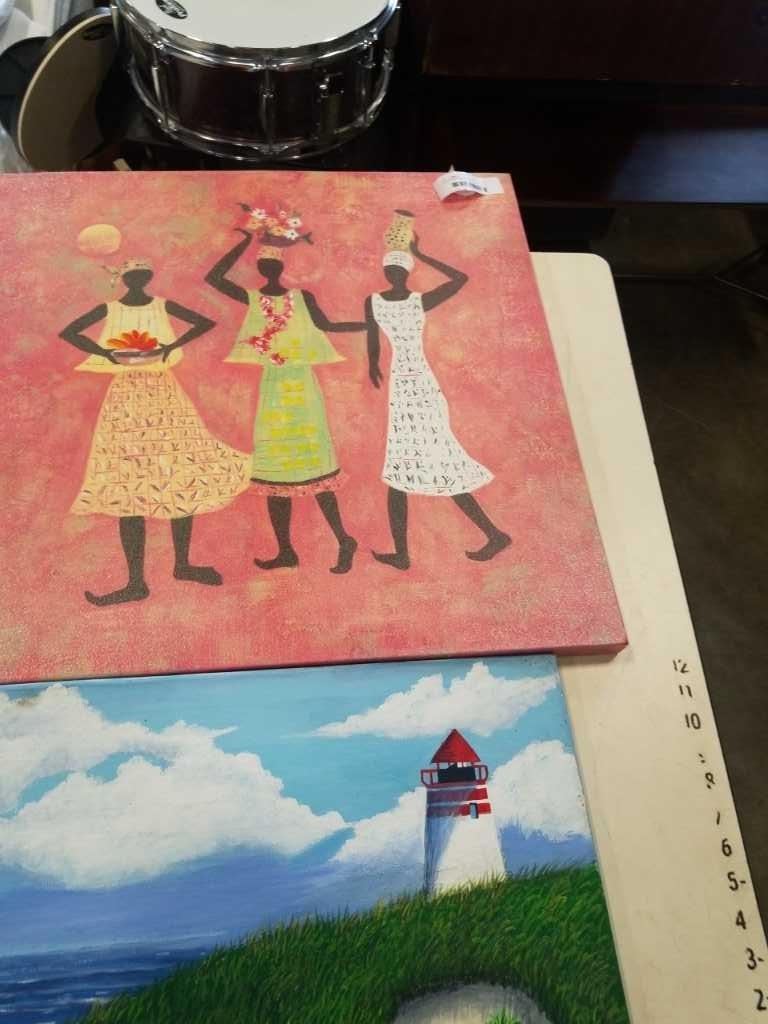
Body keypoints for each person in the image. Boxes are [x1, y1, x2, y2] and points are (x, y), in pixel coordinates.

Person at [61, 258, 251, 605]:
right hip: (126, 399)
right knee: (128, 481)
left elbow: (204, 322)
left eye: (142, 276)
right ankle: (136, 581)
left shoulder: (161, 306)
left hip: (164, 394)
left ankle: (183, 564)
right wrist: (106, 352)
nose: (137, 281)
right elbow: (70, 332)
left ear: (147, 278)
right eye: (132, 276)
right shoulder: (111, 309)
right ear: (125, 280)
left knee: (181, 474)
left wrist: (170, 347)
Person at [205, 209, 363, 574]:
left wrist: (368, 325)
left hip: (302, 389)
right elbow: (214, 278)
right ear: (261, 269)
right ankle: (286, 550)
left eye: (272, 264)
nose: (268, 269)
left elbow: (327, 325)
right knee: (274, 472)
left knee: (316, 466)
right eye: (263, 264)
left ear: (280, 268)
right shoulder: (252, 298)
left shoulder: (301, 298)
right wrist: (244, 243)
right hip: (273, 389)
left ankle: (344, 540)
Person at [364, 231, 510, 570]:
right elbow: (372, 336)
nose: (394, 274)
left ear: (407, 272)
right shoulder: (373, 301)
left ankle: (491, 534)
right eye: (390, 269)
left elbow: (459, 279)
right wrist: (372, 364)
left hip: (423, 388)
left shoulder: (419, 301)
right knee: (400, 467)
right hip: (400, 386)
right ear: (385, 271)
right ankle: (404, 552)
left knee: (438, 464)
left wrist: (421, 253)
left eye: (400, 269)